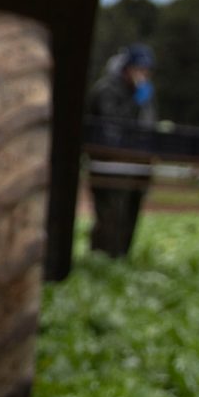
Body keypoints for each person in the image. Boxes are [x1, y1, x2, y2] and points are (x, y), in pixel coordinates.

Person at [85, 43, 156, 258]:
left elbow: (148, 125)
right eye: (139, 69)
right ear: (127, 68)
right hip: (110, 165)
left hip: (136, 166)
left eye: (146, 70)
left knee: (130, 215)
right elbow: (112, 128)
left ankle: (122, 257)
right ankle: (102, 257)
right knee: (110, 215)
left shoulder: (143, 93)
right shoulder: (106, 89)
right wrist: (136, 102)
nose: (143, 75)